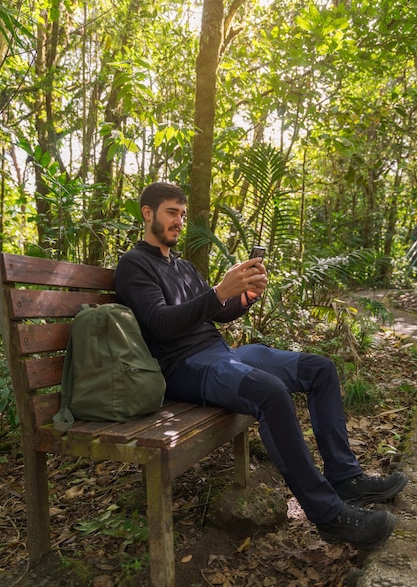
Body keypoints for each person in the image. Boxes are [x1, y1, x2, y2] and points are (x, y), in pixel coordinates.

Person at [115, 181, 408, 549]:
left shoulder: (184, 266)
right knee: (270, 392)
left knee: (319, 368)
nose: (179, 221)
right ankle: (328, 515)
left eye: (183, 214)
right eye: (172, 212)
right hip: (183, 368)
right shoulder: (134, 265)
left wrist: (244, 297)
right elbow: (159, 323)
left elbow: (216, 313)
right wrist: (220, 290)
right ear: (148, 213)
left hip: (222, 353)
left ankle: (345, 477)